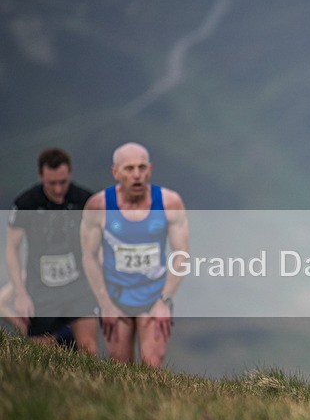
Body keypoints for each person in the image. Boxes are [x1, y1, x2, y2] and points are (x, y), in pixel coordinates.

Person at [81, 142, 189, 367]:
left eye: (142, 167)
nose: (137, 175)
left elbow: (181, 254)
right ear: (115, 172)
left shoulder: (169, 202)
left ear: (150, 169)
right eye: (129, 169)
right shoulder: (98, 206)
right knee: (120, 367)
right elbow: (89, 256)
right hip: (116, 296)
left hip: (154, 295)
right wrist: (104, 303)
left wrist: (165, 300)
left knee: (152, 363)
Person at [5, 148, 98, 353]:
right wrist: (20, 293)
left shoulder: (84, 200)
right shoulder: (25, 204)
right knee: (41, 354)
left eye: (62, 182)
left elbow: (98, 245)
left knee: (88, 349)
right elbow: (12, 249)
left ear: (70, 173)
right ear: (41, 175)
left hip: (79, 286)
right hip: (41, 289)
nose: (58, 189)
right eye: (52, 183)